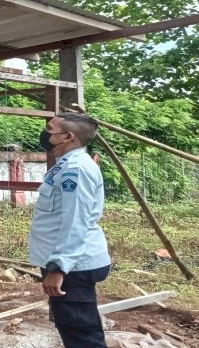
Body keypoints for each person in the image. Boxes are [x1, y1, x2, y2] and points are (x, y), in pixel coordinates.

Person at [31, 112, 112, 347]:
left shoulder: (75, 169)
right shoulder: (67, 165)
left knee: (81, 335)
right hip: (69, 262)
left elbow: (75, 220)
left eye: (49, 129)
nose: (45, 134)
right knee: (73, 328)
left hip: (72, 265)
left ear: (67, 136)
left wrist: (59, 267)